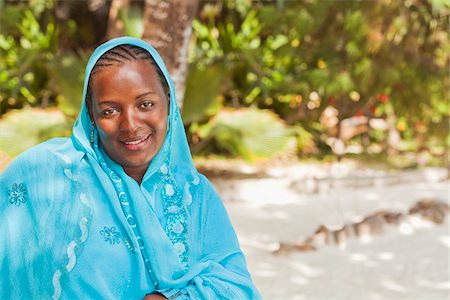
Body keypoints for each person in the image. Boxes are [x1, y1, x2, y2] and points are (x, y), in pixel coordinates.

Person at [0, 37, 261, 299]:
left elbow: (237, 287)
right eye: (110, 111)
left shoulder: (195, 194)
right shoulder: (42, 174)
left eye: (145, 104)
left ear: (168, 101)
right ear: (91, 115)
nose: (131, 125)